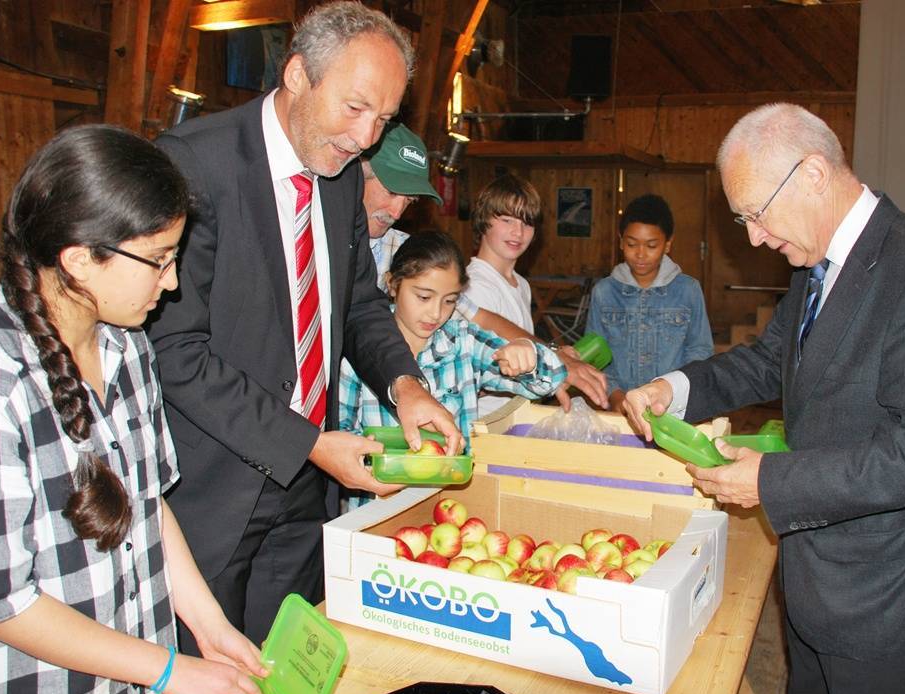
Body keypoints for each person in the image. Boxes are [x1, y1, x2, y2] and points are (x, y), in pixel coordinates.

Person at [623, 103, 905, 694]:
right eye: (744, 220)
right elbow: (768, 362)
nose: (755, 237)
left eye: (756, 214)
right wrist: (674, 388)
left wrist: (769, 481)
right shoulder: (817, 267)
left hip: (886, 592)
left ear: (813, 173)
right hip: (817, 575)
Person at [147, 1, 462, 655]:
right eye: (354, 108)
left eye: (383, 119)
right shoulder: (194, 166)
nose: (365, 137)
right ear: (296, 75)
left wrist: (404, 383)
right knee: (212, 691)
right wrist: (309, 442)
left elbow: (354, 302)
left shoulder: (341, 173)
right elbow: (174, 352)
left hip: (306, 492)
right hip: (216, 492)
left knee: (283, 677)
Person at [0, 125, 266, 694]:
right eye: (158, 260)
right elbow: (1, 604)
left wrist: (209, 626)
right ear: (79, 259)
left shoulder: (126, 348)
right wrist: (170, 670)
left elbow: (146, 505)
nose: (172, 282)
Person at [361, 125, 607, 411]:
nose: (397, 212)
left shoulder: (402, 249)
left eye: (409, 200)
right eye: (391, 192)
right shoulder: (474, 281)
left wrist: (549, 356)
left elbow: (478, 318)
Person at [338, 230, 566, 488]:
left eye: (449, 301)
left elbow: (551, 379)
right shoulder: (358, 352)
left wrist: (529, 356)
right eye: (423, 297)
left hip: (452, 499)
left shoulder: (464, 344)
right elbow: (341, 436)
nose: (435, 313)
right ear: (392, 285)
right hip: (377, 503)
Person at [586, 194, 713, 413]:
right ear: (621, 241)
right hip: (620, 406)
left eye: (651, 245)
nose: (640, 254)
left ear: (667, 245)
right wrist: (616, 397)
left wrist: (673, 392)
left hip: (672, 408)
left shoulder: (688, 290)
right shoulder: (604, 292)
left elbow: (700, 351)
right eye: (631, 244)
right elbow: (595, 356)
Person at [462, 174, 546, 415]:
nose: (518, 232)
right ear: (483, 220)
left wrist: (553, 350)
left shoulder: (521, 284)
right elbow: (478, 373)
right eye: (507, 220)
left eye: (527, 223)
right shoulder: (474, 286)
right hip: (484, 422)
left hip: (515, 415)